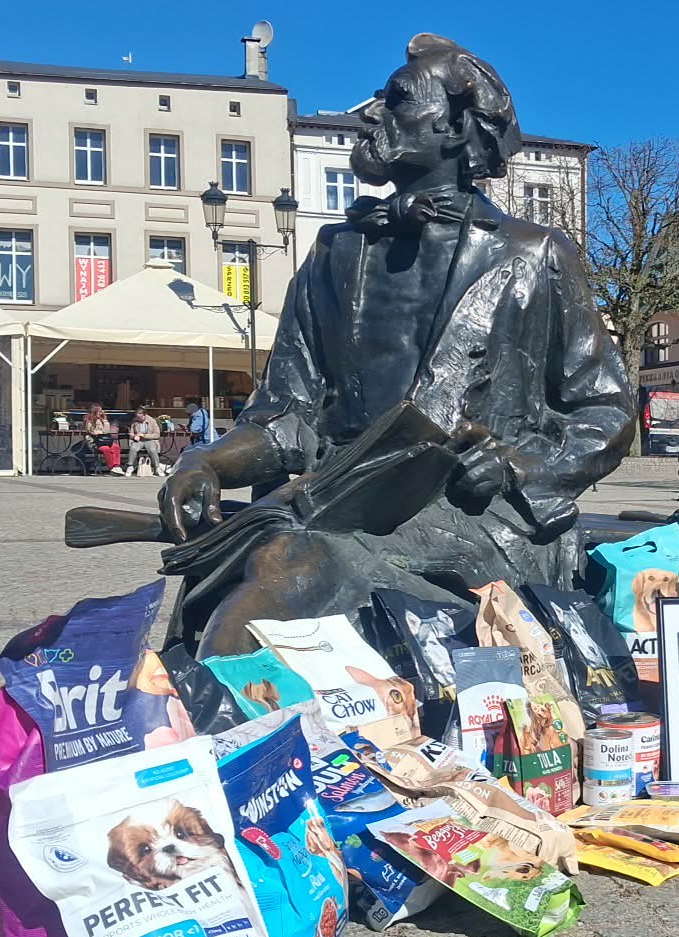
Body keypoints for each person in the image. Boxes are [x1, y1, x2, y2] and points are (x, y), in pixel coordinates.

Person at [156, 35, 632, 656]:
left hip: (478, 518)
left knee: (286, 568)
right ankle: (208, 702)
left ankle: (215, 711)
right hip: (335, 502)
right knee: (235, 566)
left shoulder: (535, 254)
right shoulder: (335, 252)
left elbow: (605, 411)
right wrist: (207, 463)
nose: (372, 114)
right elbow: (285, 414)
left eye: (399, 99)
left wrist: (518, 467)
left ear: (455, 127)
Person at [83, 403, 123, 475]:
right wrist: (96, 432)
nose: (101, 412)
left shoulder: (103, 419)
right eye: (99, 411)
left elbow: (106, 430)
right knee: (106, 449)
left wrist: (104, 420)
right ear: (95, 412)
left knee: (116, 447)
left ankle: (116, 466)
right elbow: (90, 430)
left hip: (104, 439)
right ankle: (111, 467)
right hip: (95, 442)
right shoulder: (89, 420)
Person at [127, 406, 164, 477]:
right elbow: (131, 433)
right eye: (138, 417)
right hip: (139, 440)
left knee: (152, 449)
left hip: (149, 440)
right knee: (133, 448)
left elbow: (157, 434)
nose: (139, 419)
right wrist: (134, 436)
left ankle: (157, 467)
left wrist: (144, 435)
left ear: (145, 415)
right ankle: (130, 466)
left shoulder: (152, 421)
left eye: (141, 417)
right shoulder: (134, 421)